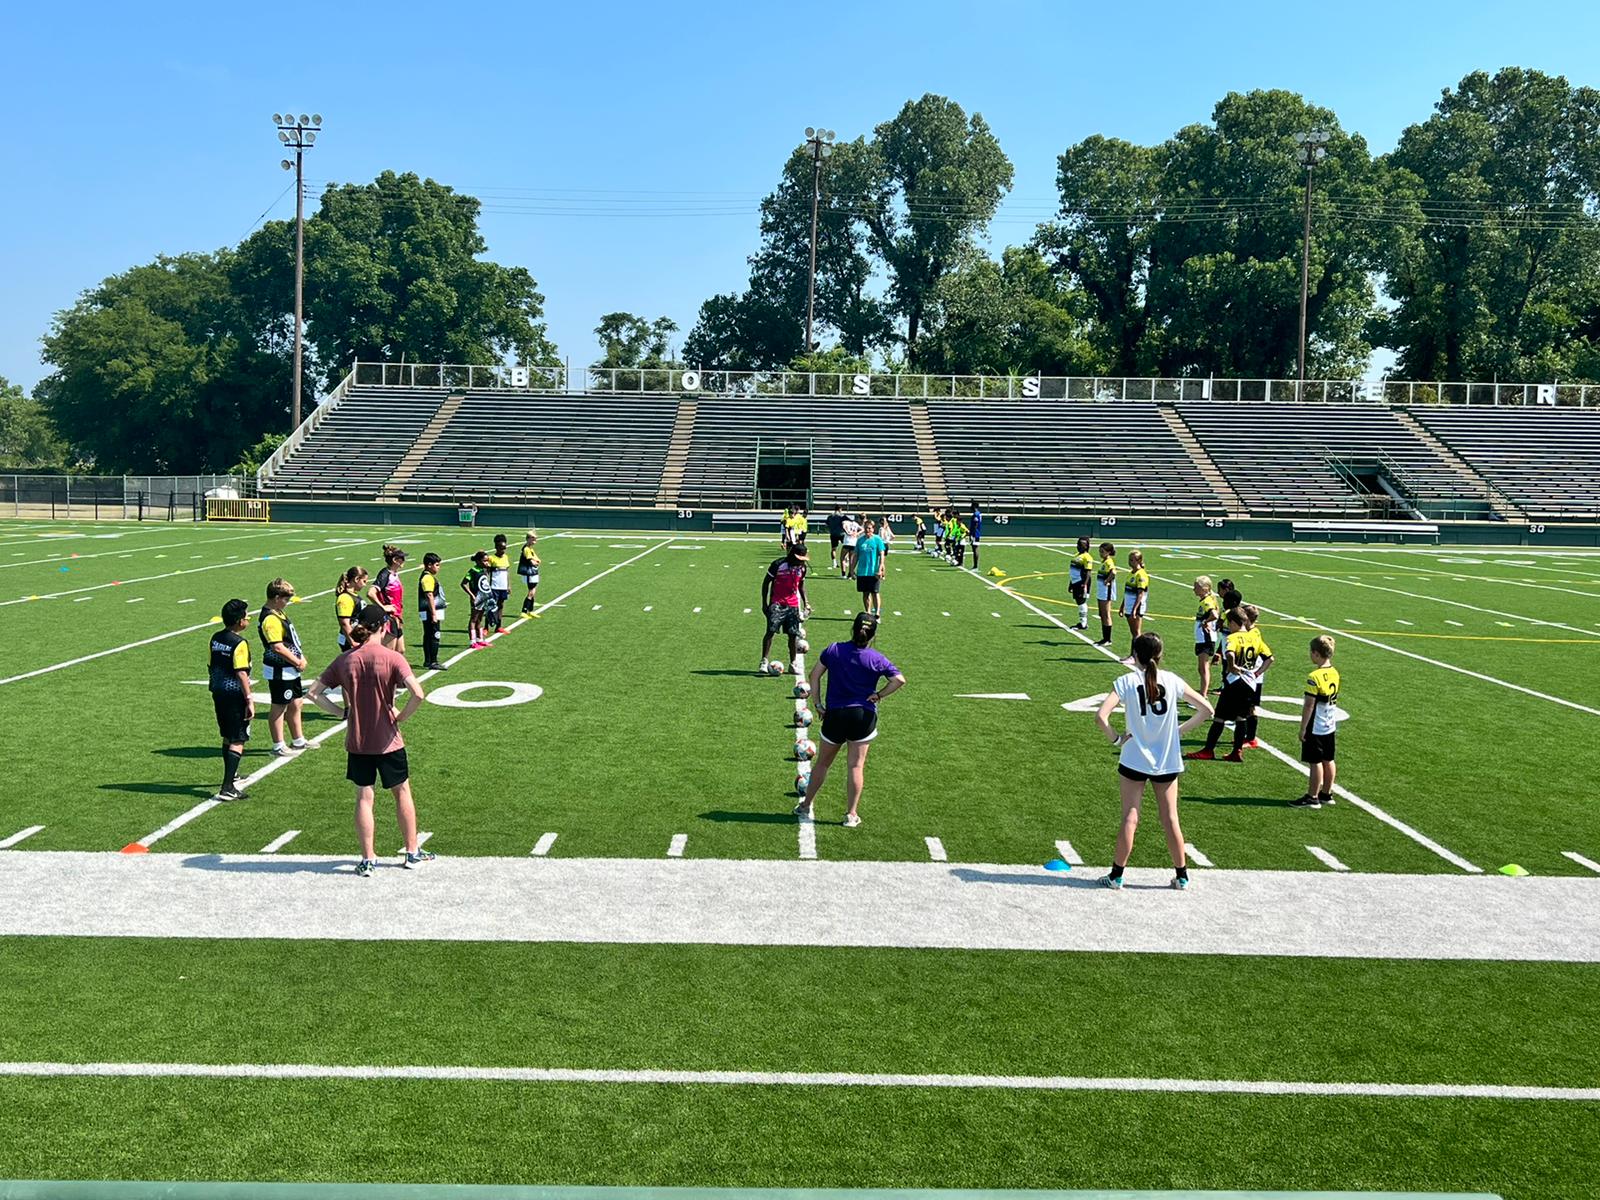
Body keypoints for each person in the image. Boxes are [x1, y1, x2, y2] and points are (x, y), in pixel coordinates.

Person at [307, 604, 434, 878]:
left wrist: (343, 713)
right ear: (383, 626)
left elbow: (313, 693)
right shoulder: (392, 657)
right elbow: (419, 694)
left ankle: (368, 859)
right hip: (388, 740)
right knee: (402, 793)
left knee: (364, 797)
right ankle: (412, 852)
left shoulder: (345, 660)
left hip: (358, 740)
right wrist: (400, 717)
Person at [1093, 632, 1214, 890]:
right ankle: (1182, 876)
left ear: (1135, 655)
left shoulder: (1126, 681)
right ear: (1160, 655)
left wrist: (1116, 739)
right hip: (1166, 759)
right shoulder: (1172, 680)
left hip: (1134, 758)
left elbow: (1101, 717)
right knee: (1171, 818)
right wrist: (1179, 731)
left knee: (1130, 817)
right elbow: (1207, 710)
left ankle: (1116, 876)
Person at [793, 611, 905, 828]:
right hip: (863, 716)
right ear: (872, 636)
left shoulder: (834, 649)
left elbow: (814, 675)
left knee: (823, 764)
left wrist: (818, 705)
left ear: (852, 629)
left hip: (835, 714)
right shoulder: (877, 658)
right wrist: (879, 695)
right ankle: (851, 815)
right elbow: (899, 680)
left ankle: (805, 806)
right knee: (856, 766)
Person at [1186, 607, 1271, 762]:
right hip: (1250, 683)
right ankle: (1237, 751)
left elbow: (1230, 653)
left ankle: (1208, 750)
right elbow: (1270, 658)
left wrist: (1232, 666)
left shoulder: (1234, 638)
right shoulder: (1255, 638)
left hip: (1234, 682)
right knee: (1241, 717)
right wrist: (1257, 673)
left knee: (1219, 717)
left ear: (1233, 622)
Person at [207, 598, 255, 802]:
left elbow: (210, 664)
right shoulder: (240, 643)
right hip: (235, 694)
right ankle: (227, 786)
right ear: (239, 621)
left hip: (218, 691)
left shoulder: (215, 637)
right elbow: (241, 673)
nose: (248, 619)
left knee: (227, 735)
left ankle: (232, 775)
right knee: (238, 738)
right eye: (246, 616)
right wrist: (249, 698)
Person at [259, 578, 312, 756]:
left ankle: (298, 739)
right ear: (275, 597)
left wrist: (300, 657)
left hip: (290, 669)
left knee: (296, 703)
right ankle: (278, 745)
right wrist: (297, 661)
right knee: (279, 706)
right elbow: (277, 646)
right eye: (285, 599)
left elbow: (291, 641)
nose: (287, 603)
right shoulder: (270, 618)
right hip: (280, 669)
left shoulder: (278, 612)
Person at [1294, 635, 1342, 809]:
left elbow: (1309, 705)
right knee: (1328, 758)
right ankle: (1327, 793)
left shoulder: (1314, 676)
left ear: (1316, 653)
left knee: (1315, 761)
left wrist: (1302, 728)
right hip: (1330, 722)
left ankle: (1312, 796)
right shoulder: (1334, 672)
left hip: (1316, 724)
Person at [760, 543, 810, 674]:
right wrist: (765, 604)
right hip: (777, 603)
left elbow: (801, 586)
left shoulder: (802, 568)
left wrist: (806, 603)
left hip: (793, 605)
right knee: (770, 631)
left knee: (793, 634)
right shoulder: (778, 564)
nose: (801, 561)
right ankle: (764, 661)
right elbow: (766, 583)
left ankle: (793, 663)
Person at [367, 545, 407, 652]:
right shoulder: (385, 575)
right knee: (389, 652)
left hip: (396, 617)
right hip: (389, 619)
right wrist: (383, 607)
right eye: (402, 558)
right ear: (395, 560)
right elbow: (370, 593)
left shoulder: (394, 574)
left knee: (400, 650)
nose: (404, 560)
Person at [1192, 575, 1221, 699]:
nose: (1194, 589)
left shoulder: (1207, 601)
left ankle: (1203, 695)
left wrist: (1205, 622)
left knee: (1203, 668)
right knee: (1202, 667)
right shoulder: (1206, 600)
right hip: (1203, 638)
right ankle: (1203, 693)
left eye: (1196, 587)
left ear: (1205, 588)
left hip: (1206, 638)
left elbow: (1214, 614)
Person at [461, 550, 497, 650]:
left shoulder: (485, 570)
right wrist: (472, 595)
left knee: (480, 619)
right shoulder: (473, 571)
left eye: (487, 561)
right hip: (476, 598)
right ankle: (472, 641)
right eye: (484, 561)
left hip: (484, 598)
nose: (486, 563)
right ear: (478, 561)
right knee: (473, 619)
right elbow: (463, 583)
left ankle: (480, 639)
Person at [417, 553, 447, 671]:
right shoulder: (428, 578)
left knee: (428, 634)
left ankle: (428, 660)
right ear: (429, 565)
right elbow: (429, 595)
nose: (438, 568)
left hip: (427, 611)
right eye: (437, 565)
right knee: (434, 635)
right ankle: (433, 661)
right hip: (430, 611)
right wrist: (434, 613)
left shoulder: (426, 576)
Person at [854, 519, 886, 616]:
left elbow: (882, 555)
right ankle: (868, 612)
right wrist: (852, 569)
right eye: (866, 528)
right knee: (865, 593)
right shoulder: (860, 541)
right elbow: (856, 556)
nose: (868, 530)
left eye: (869, 528)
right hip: (862, 572)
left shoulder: (877, 540)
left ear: (873, 529)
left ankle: (877, 613)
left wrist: (880, 569)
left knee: (875, 592)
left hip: (873, 572)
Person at [1121, 550, 1149, 658]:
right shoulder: (1131, 573)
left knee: (1136, 633)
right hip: (1129, 606)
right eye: (1129, 559)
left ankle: (1135, 656)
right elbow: (1127, 591)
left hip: (1135, 607)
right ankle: (1135, 655)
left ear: (1139, 560)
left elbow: (1140, 594)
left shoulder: (1141, 575)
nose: (1130, 562)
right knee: (1134, 633)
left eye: (1132, 560)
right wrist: (1122, 605)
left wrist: (1134, 609)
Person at [334, 566, 369, 653]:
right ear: (357, 579)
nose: (365, 585)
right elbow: (345, 623)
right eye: (364, 581)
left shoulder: (354, 595)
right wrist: (353, 641)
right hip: (349, 640)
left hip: (357, 637)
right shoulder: (345, 598)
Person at [486, 535, 512, 633]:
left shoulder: (506, 557)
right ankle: (486, 627)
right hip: (494, 586)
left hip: (503, 586)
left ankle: (498, 626)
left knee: (501, 605)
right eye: (501, 548)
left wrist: (508, 585)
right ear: (496, 547)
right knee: (491, 605)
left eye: (504, 548)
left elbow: (507, 572)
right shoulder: (491, 558)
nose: (503, 550)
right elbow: (487, 572)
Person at [1094, 542, 1118, 645]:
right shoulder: (1104, 561)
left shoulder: (1109, 562)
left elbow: (1113, 572)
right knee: (1102, 614)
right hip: (1101, 591)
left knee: (1106, 614)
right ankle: (1104, 638)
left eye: (1102, 551)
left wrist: (1107, 581)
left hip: (1106, 591)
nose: (1100, 553)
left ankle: (1107, 639)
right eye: (1100, 551)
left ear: (1108, 552)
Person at [1068, 536, 1094, 630]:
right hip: (1075, 582)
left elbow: (1088, 572)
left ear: (1086, 546)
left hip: (1081, 582)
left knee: (1081, 602)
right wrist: (1071, 583)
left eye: (1081, 545)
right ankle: (1082, 622)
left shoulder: (1087, 557)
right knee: (1079, 601)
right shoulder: (1077, 555)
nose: (1078, 546)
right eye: (1078, 544)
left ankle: (1083, 623)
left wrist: (1085, 584)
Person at [517, 532, 541, 617]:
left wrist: (537, 561)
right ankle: (524, 611)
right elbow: (532, 561)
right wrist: (535, 562)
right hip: (529, 572)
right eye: (533, 538)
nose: (535, 540)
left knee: (533, 590)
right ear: (528, 539)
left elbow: (537, 559)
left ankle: (530, 610)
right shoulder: (526, 549)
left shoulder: (530, 549)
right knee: (531, 591)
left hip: (532, 572)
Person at [839, 511, 862, 578]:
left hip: (847, 542)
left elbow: (844, 527)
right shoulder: (855, 524)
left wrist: (848, 533)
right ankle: (850, 574)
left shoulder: (845, 522)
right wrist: (857, 534)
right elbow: (862, 529)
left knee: (842, 558)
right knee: (851, 559)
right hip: (854, 543)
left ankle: (843, 574)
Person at [826, 505, 846, 570]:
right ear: (840, 509)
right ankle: (846, 560)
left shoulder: (830, 516)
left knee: (833, 549)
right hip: (841, 533)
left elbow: (827, 524)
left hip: (833, 534)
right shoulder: (841, 516)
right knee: (847, 547)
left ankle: (834, 563)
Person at [968, 503, 983, 571]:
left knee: (975, 549)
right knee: (974, 549)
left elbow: (976, 524)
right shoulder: (979, 514)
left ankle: (976, 566)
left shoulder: (976, 514)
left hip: (975, 534)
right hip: (976, 533)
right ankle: (975, 566)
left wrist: (972, 534)